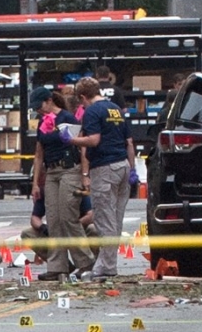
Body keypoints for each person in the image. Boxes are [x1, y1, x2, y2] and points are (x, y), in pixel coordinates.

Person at [70, 77, 135, 281]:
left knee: (104, 219)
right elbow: (129, 142)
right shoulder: (115, 108)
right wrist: (132, 169)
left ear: (82, 97)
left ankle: (106, 267)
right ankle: (109, 264)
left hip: (104, 167)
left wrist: (70, 139)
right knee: (116, 219)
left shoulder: (92, 111)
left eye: (80, 101)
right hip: (122, 165)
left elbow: (93, 140)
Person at [29, 87, 95, 281]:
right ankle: (58, 266)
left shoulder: (68, 118)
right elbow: (39, 154)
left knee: (68, 216)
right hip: (51, 172)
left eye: (39, 105)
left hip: (69, 170)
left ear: (49, 101)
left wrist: (84, 175)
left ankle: (86, 263)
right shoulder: (42, 123)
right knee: (54, 219)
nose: (38, 110)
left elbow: (81, 148)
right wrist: (35, 183)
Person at [21, 191, 97, 265]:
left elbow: (90, 216)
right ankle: (60, 265)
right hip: (56, 230)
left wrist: (73, 225)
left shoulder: (76, 191)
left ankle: (91, 265)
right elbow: (34, 218)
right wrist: (44, 228)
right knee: (27, 234)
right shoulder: (47, 192)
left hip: (78, 228)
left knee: (92, 229)